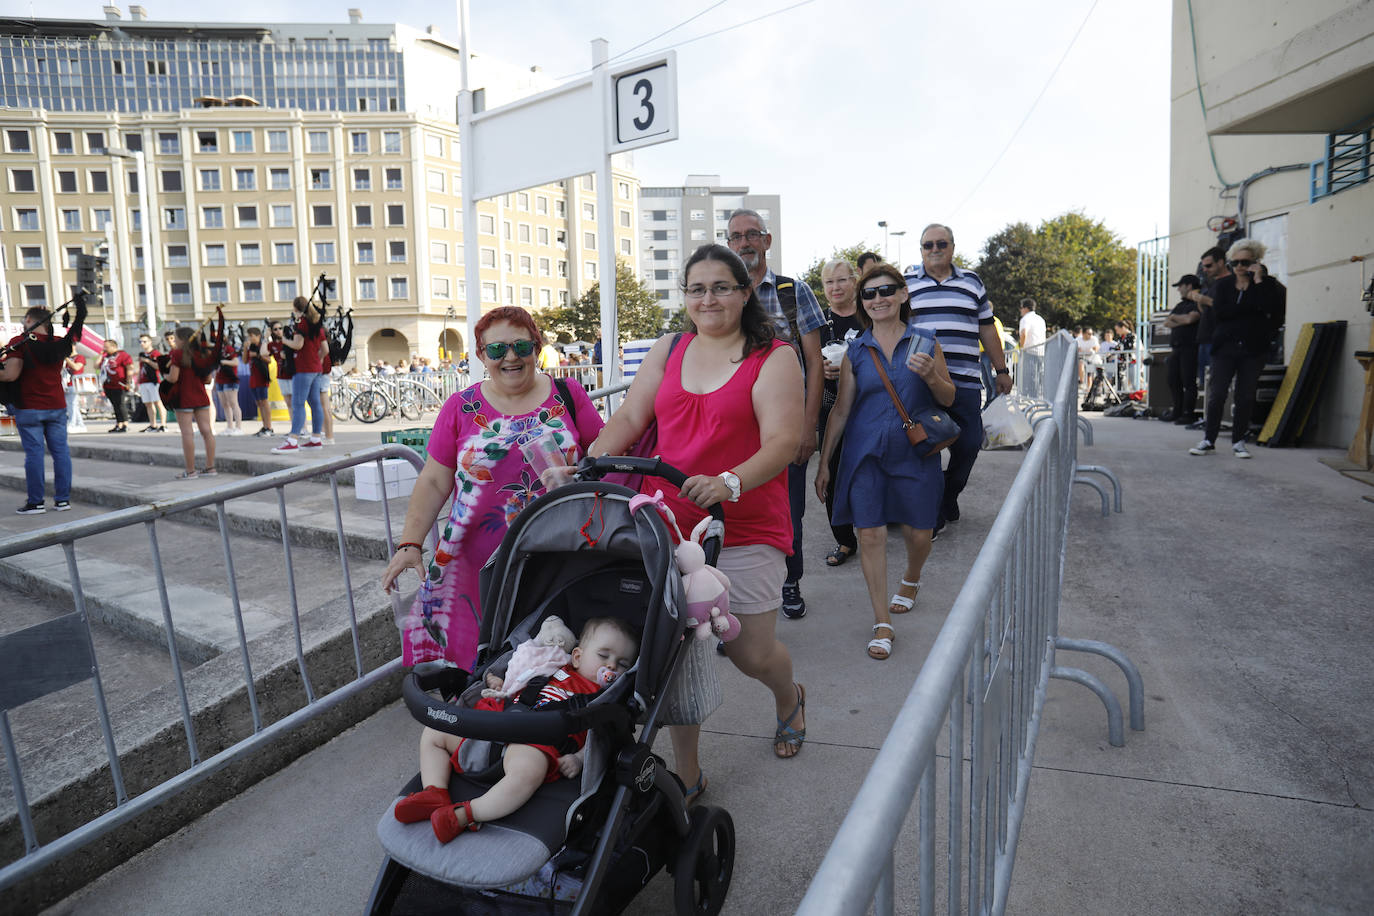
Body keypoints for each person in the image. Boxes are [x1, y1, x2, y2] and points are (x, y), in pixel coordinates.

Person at [587, 243, 807, 800]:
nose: (708, 299)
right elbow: (630, 416)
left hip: (744, 523)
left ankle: (789, 697)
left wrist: (729, 481)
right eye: (697, 289)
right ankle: (688, 772)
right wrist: (589, 462)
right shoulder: (670, 348)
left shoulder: (774, 356)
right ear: (685, 296)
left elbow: (784, 442)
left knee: (750, 653)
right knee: (674, 652)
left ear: (745, 293)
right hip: (666, 523)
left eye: (721, 287)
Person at [380, 307, 604, 671]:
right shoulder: (460, 407)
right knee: (475, 666)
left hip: (560, 555)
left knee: (551, 661)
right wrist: (410, 545)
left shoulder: (568, 394)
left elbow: (603, 455)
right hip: (474, 566)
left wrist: (581, 473)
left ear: (537, 347)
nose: (510, 357)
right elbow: (434, 480)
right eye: (497, 349)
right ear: (482, 355)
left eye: (521, 346)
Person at [815, 263, 956, 660]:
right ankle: (882, 622)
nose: (878, 299)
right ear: (862, 302)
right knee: (870, 535)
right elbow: (841, 410)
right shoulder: (857, 350)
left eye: (886, 290)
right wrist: (825, 463)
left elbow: (948, 398)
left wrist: (932, 377)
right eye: (869, 293)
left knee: (919, 534)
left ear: (903, 294)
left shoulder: (926, 342)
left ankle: (911, 578)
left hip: (915, 453)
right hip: (865, 455)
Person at [391, 617, 638, 841]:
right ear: (577, 657)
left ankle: (465, 814)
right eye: (603, 656)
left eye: (622, 664)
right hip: (499, 718)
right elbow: (521, 667)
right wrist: (500, 680)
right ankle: (434, 791)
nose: (611, 666)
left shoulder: (605, 699)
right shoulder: (553, 665)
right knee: (435, 732)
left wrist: (579, 759)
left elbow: (601, 738)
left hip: (539, 740)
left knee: (528, 772)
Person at [726, 208, 824, 620]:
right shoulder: (722, 295)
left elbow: (815, 364)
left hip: (784, 427)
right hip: (734, 427)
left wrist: (808, 428)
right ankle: (734, 597)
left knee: (788, 511)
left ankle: (789, 580)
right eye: (736, 236)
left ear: (767, 241)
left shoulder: (793, 292)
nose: (744, 243)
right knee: (734, 508)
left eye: (752, 234)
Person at [905, 223, 1010, 537]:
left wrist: (1001, 370)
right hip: (921, 382)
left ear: (952, 246)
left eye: (941, 244)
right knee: (927, 448)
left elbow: (987, 328)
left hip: (965, 381)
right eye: (928, 245)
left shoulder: (972, 282)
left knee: (969, 445)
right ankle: (934, 512)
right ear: (921, 249)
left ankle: (949, 494)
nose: (935, 250)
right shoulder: (906, 283)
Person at [1189, 239, 1286, 459]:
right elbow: (1221, 312)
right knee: (1217, 394)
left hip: (1254, 348)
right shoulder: (1223, 285)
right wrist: (1250, 309)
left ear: (1256, 262)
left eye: (1245, 262)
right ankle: (1208, 439)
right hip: (1225, 346)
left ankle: (1239, 441)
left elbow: (1269, 308)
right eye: (1235, 263)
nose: (1240, 267)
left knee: (1245, 396)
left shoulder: (1267, 284)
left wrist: (1258, 281)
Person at [2, 301, 86, 514]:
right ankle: (62, 500)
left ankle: (36, 502)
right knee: (61, 453)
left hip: (29, 406)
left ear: (29, 320)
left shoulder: (20, 342)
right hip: (56, 405)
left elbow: (10, 374)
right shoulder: (57, 343)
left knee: (34, 454)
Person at [817, 258, 862, 568]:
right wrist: (821, 371)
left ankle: (874, 527)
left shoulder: (869, 315)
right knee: (831, 473)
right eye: (829, 282)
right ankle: (845, 539)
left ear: (854, 282)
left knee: (869, 470)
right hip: (831, 406)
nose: (835, 287)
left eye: (842, 280)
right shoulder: (819, 322)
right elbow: (807, 364)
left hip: (868, 407)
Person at [271, 296, 326, 453]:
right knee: (315, 403)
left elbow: (298, 344)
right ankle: (316, 439)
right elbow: (325, 349)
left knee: (298, 404)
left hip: (303, 368)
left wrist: (283, 340)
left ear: (296, 308)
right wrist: (317, 360)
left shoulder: (302, 323)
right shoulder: (317, 324)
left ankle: (293, 440)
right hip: (316, 368)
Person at [1185, 247, 1231, 429]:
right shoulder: (1212, 284)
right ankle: (1207, 418)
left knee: (1217, 383)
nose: (1205, 270)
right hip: (1205, 337)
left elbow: (1223, 307)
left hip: (1217, 339)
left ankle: (1215, 421)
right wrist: (1199, 300)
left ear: (1221, 262)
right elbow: (1207, 310)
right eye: (1203, 266)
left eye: (1209, 265)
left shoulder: (1229, 283)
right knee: (1206, 382)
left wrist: (1203, 300)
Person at [165, 326, 219, 479]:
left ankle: (190, 471)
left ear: (182, 340)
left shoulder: (177, 354)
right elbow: (207, 379)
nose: (174, 341)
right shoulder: (202, 353)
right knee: (207, 431)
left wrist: (165, 376)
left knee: (187, 433)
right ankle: (210, 468)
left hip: (183, 397)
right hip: (200, 395)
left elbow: (173, 378)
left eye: (176, 338)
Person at [1164, 275, 1202, 424]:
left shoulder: (1197, 302)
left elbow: (1191, 319)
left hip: (1190, 347)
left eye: (1180, 286)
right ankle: (1177, 411)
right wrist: (1181, 319)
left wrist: (1176, 318)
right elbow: (1167, 323)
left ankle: (1188, 413)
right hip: (1177, 347)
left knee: (1188, 381)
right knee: (1173, 379)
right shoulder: (1180, 305)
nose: (1179, 289)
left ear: (1189, 286)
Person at [98, 339, 134, 433]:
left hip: (120, 384)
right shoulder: (105, 357)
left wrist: (128, 382)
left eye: (106, 347)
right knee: (115, 405)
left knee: (120, 404)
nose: (104, 348)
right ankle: (119, 423)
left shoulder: (123, 355)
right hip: (108, 385)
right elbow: (96, 365)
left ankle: (125, 423)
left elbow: (129, 368)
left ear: (114, 347)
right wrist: (100, 355)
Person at [213, 331, 243, 437]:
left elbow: (236, 362)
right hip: (220, 380)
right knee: (225, 404)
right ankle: (229, 427)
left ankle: (238, 427)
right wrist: (215, 381)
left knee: (233, 403)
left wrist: (223, 362)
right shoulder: (216, 351)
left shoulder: (229, 348)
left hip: (230, 379)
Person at [135, 333, 167, 432]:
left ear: (150, 342)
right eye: (140, 342)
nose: (142, 343)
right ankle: (153, 424)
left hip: (154, 381)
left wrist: (148, 361)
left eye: (144, 341)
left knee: (158, 402)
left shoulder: (155, 353)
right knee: (148, 404)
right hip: (144, 382)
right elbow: (140, 369)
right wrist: (137, 382)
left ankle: (163, 425)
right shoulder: (142, 354)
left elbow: (159, 366)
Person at [1017, 298, 1047, 399]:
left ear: (1026, 308)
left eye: (1021, 308)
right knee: (1038, 378)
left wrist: (1021, 348)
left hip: (1029, 351)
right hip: (1041, 352)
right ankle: (1035, 399)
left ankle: (1030, 399)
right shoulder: (1040, 319)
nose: (1020, 310)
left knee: (1028, 378)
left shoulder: (1025, 319)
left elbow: (1023, 333)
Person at [63, 348, 87, 433]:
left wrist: (66, 358)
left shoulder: (80, 357)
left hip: (75, 384)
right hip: (66, 384)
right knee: (72, 405)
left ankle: (72, 424)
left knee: (72, 405)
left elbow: (76, 367)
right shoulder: (66, 359)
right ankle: (80, 425)